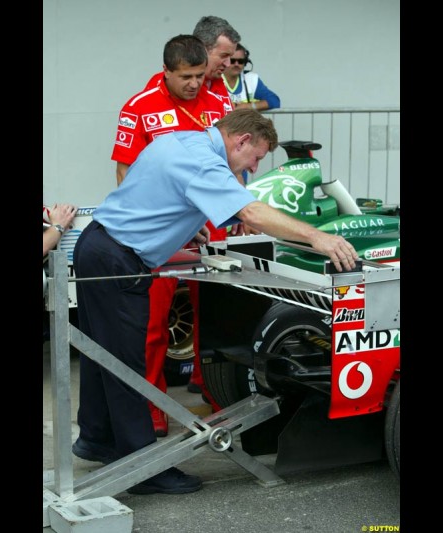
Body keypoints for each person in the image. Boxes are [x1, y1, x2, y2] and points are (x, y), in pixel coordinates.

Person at [71, 108, 359, 496]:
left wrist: (190, 225)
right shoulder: (204, 162)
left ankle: (96, 436)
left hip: (99, 243)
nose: (253, 169)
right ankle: (144, 468)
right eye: (255, 158)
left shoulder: (182, 139)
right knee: (126, 364)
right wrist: (317, 238)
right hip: (118, 258)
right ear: (240, 140)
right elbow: (252, 210)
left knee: (100, 354)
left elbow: (160, 190)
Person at [108, 34, 229, 439]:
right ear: (167, 72)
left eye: (200, 75)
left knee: (215, 315)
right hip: (162, 230)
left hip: (211, 225)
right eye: (186, 77)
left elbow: (232, 162)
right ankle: (152, 405)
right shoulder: (140, 107)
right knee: (154, 323)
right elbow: (125, 173)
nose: (195, 84)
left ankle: (218, 395)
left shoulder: (220, 102)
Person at [223, 44, 281, 112]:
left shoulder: (251, 79)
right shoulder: (214, 79)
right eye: (232, 61)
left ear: (246, 62)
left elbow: (274, 101)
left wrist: (247, 106)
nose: (236, 64)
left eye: (240, 61)